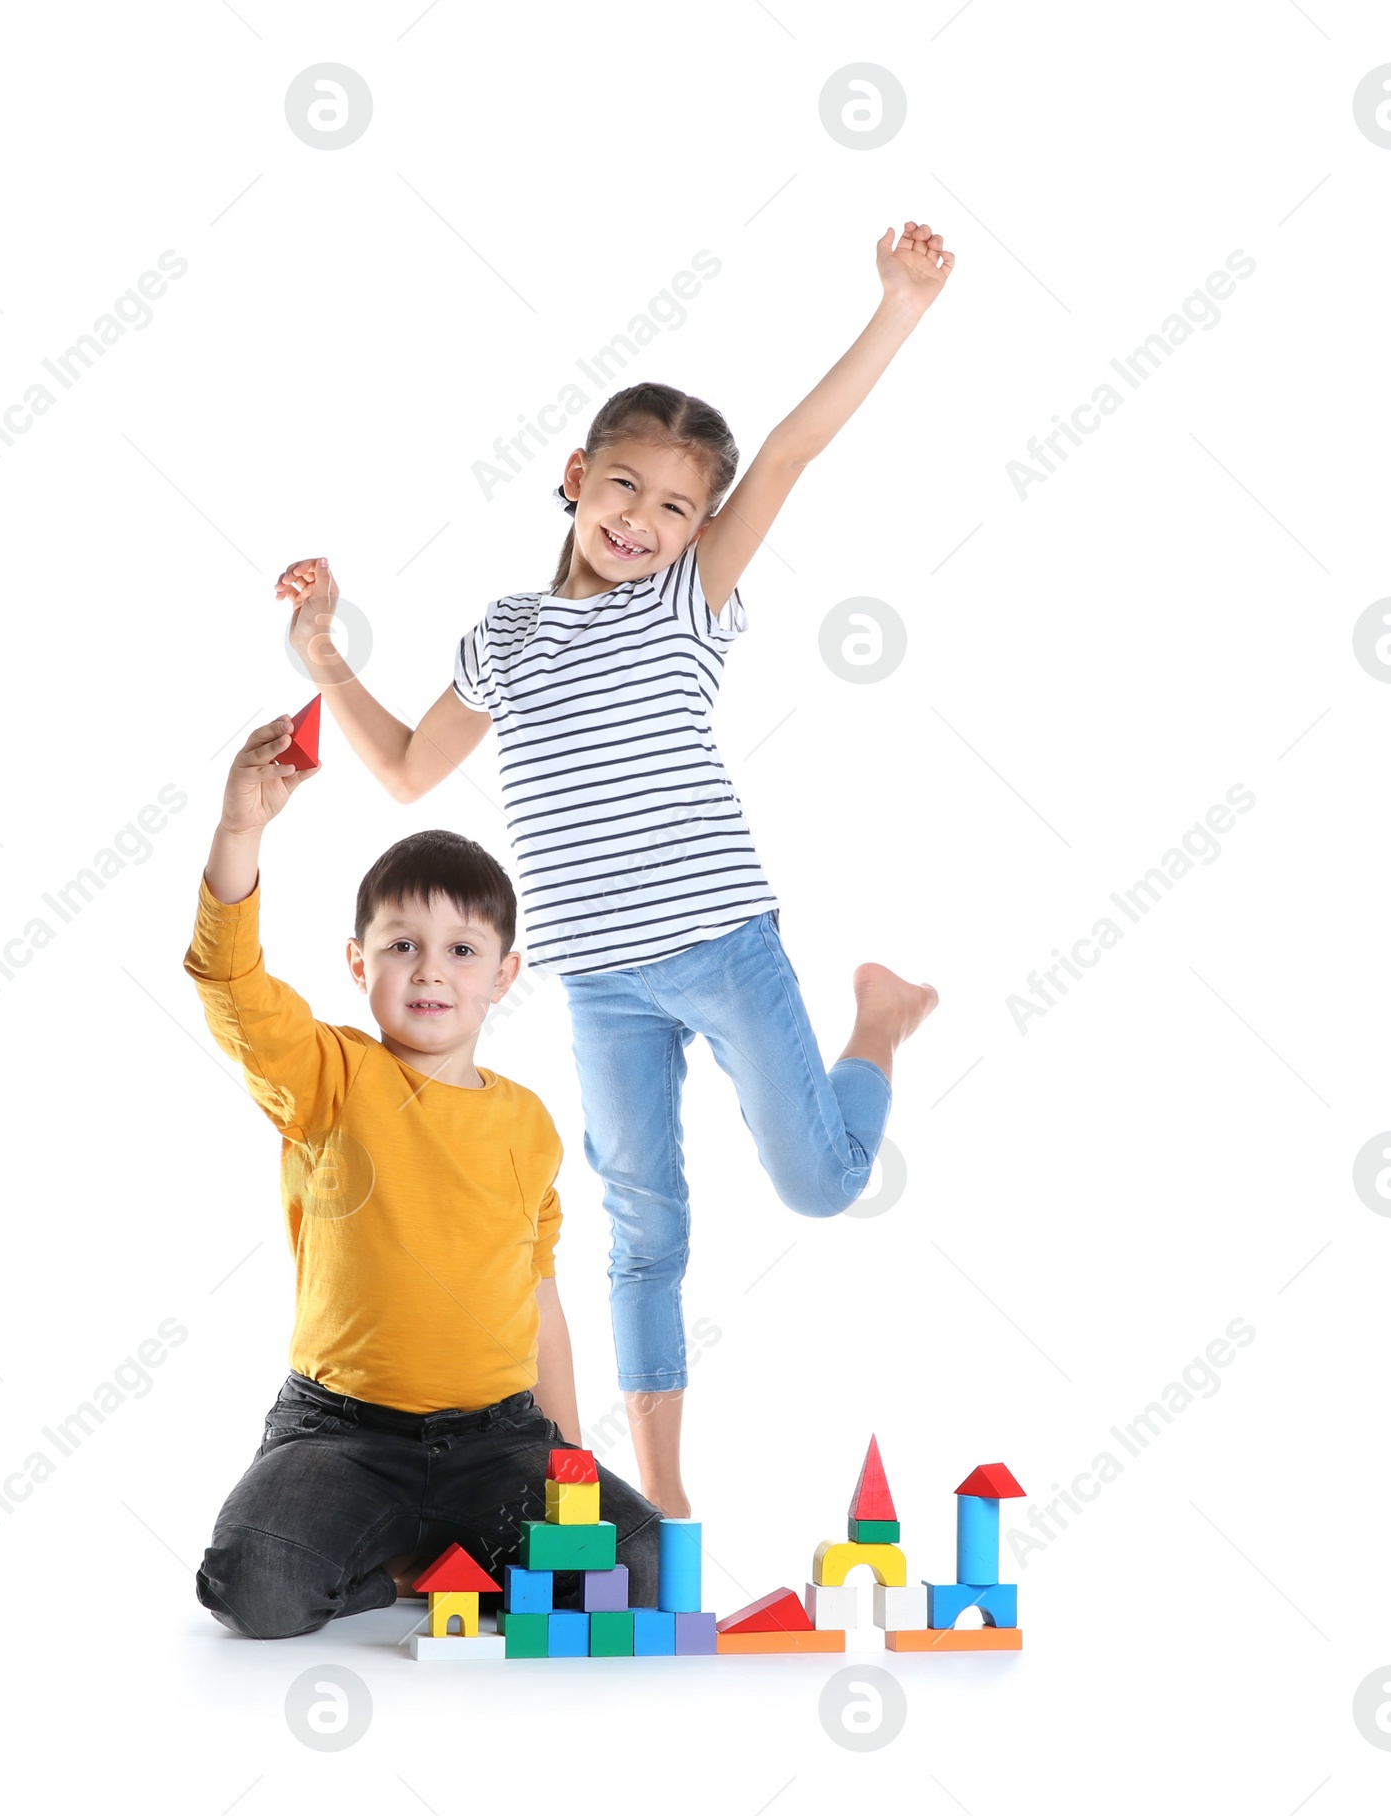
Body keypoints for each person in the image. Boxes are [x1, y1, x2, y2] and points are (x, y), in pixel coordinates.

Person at [275, 221, 954, 1517]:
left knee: (819, 1183)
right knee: (642, 1231)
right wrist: (325, 660)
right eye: (626, 488)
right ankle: (667, 1496)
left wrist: (898, 309)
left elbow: (799, 446)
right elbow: (415, 770)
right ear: (578, 477)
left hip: (722, 944)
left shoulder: (685, 602)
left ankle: (874, 1024)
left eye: (678, 505)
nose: (645, 520)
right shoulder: (510, 633)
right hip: (598, 982)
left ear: (703, 526)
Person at [184, 717, 658, 1639]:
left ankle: (442, 1555)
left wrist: (563, 1456)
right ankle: (402, 1562)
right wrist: (240, 831)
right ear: (358, 964)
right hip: (344, 1437)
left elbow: (541, 1304)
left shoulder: (528, 1123)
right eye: (402, 946)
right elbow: (232, 985)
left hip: (500, 1441)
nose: (430, 970)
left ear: (504, 973)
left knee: (634, 1565)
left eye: (462, 950)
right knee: (261, 1588)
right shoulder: (331, 1078)